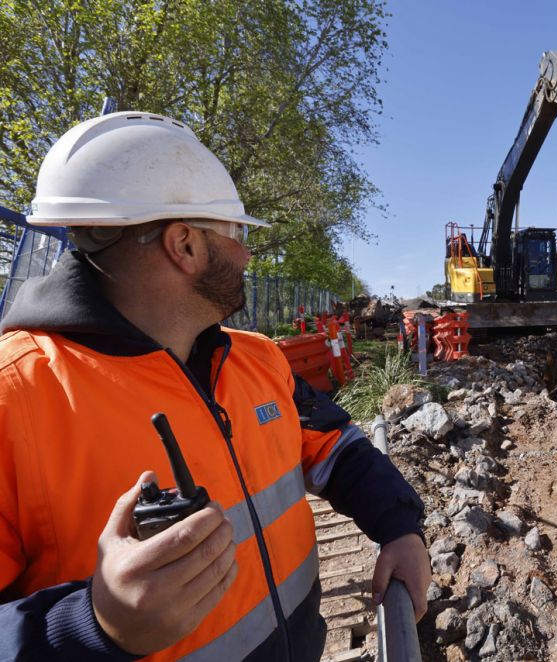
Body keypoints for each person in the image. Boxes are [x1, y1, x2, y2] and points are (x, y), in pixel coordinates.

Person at [0, 112, 431, 660]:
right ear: (185, 246)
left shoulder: (256, 359)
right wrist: (94, 625)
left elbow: (334, 445)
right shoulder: (14, 400)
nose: (247, 254)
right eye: (237, 234)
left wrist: (399, 525)